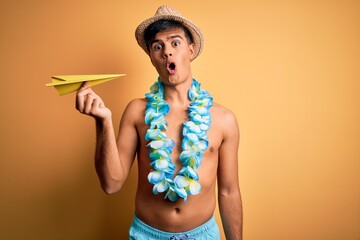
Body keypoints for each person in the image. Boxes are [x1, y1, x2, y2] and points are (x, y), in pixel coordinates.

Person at [76, 5, 242, 240]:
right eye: (157, 47)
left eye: (175, 43)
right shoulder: (136, 112)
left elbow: (228, 191)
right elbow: (111, 184)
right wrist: (103, 121)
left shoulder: (224, 119)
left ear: (191, 50)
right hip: (146, 234)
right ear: (152, 58)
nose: (167, 52)